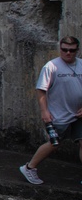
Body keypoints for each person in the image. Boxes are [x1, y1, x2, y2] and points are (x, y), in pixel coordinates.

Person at [20, 36, 82, 185]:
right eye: (64, 50)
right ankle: (29, 167)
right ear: (60, 49)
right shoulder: (51, 66)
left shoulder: (81, 65)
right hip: (59, 114)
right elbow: (41, 90)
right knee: (55, 143)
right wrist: (44, 111)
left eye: (72, 50)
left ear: (77, 50)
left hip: (78, 115)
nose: (68, 53)